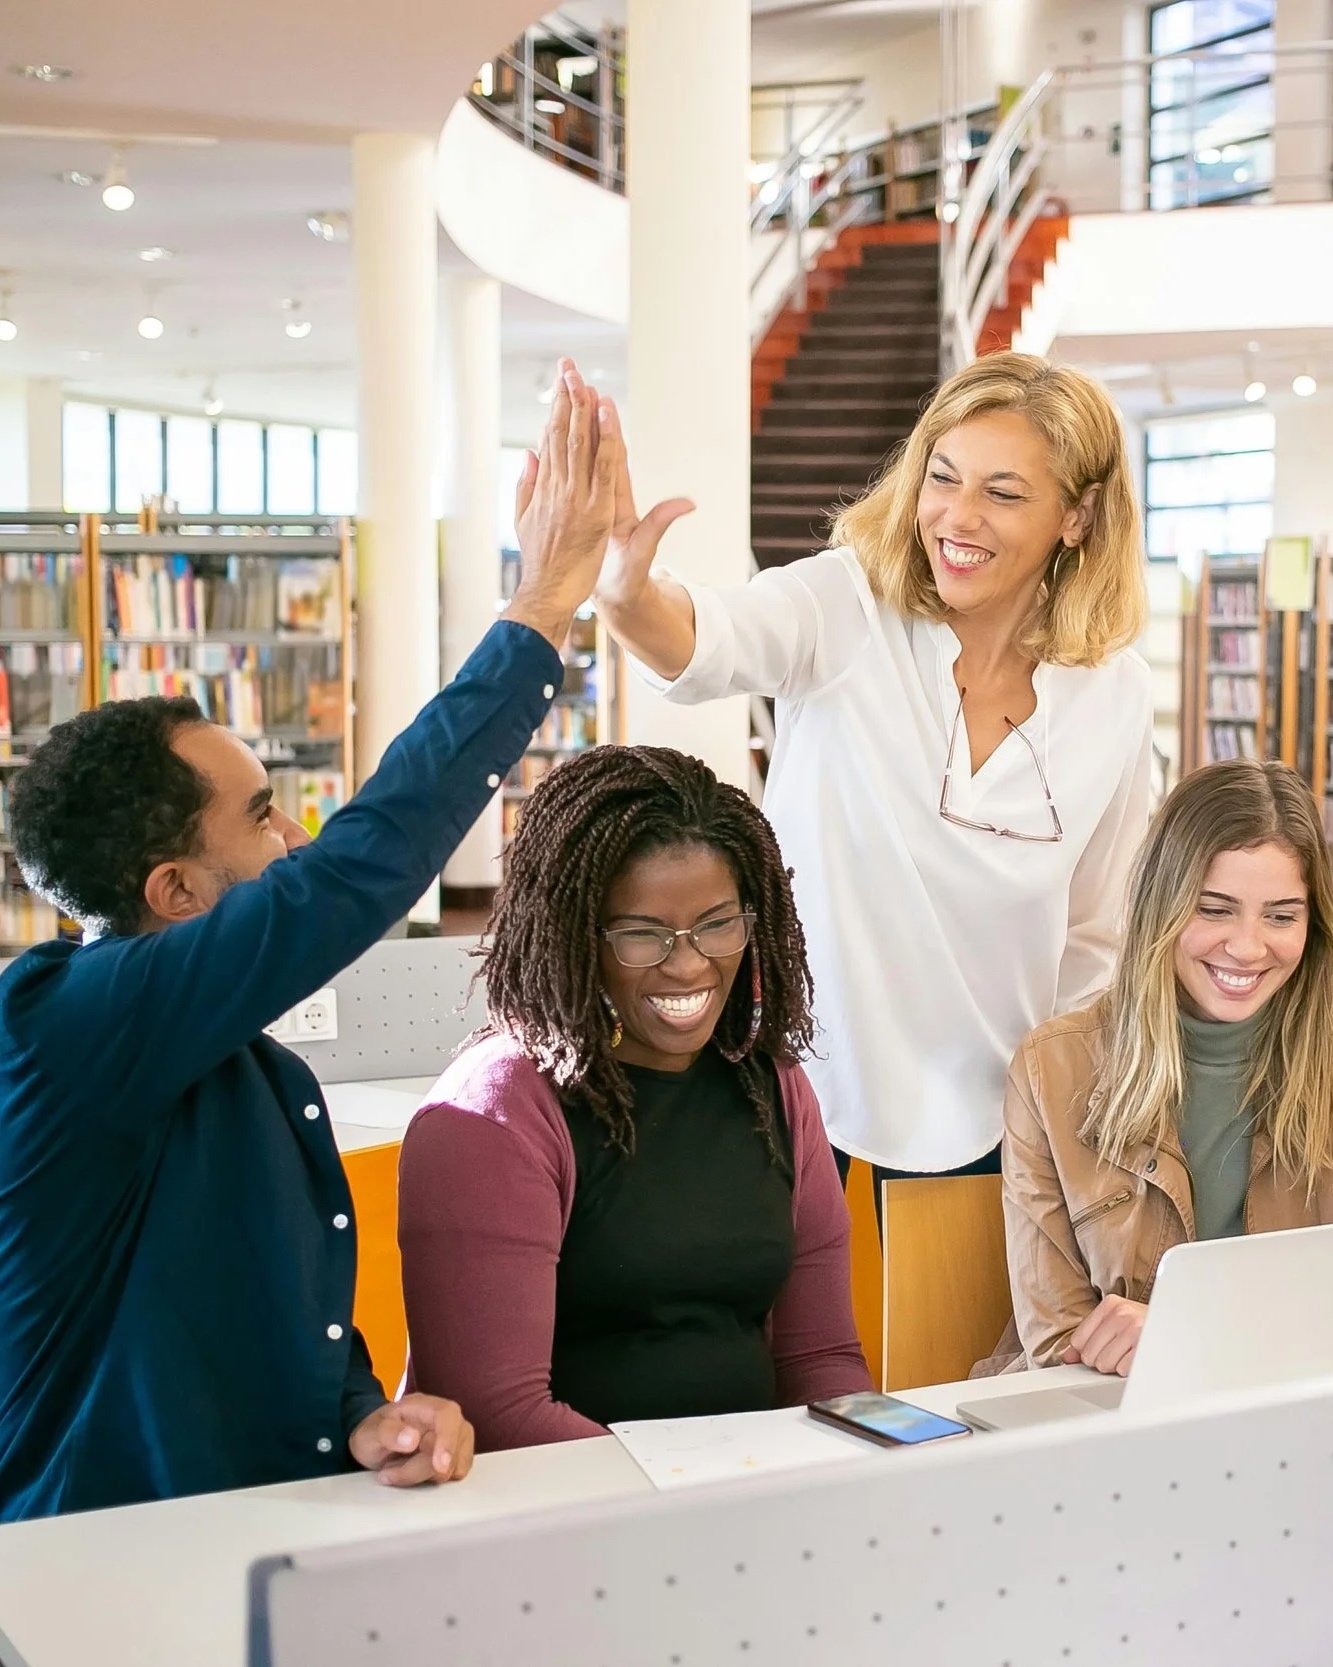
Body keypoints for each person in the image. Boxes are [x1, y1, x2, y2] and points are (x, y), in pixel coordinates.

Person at [0, 370, 620, 1520]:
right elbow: (358, 866)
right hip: (88, 1569)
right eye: (259, 816)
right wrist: (541, 606)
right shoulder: (64, 1025)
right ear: (178, 890)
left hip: (256, 1544)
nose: (293, 838)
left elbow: (262, 1325)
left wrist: (362, 1418)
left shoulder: (252, 1073)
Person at [583, 350, 1152, 1188]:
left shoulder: (1115, 692)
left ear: (1078, 516)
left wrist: (1062, 1121)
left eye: (1002, 493)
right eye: (942, 477)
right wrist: (627, 595)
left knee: (954, 1326)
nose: (956, 517)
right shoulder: (849, 605)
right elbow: (713, 639)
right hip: (803, 1101)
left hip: (1002, 1128)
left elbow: (1095, 937)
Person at [398, 745, 872, 1450]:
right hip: (569, 1516)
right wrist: (700, 1495)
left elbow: (820, 1359)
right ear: (571, 934)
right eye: (642, 935)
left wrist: (873, 1452)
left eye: (717, 924)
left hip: (745, 1499)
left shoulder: (771, 1084)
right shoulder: (493, 1112)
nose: (688, 963)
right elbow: (498, 1413)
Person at [1002, 760, 1333, 1375]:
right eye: (1214, 909)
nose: (1248, 946)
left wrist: (1191, 1332)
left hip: (1296, 1416)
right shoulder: (1052, 1069)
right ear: (1164, 906)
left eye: (1282, 915)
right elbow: (1056, 1344)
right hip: (1107, 1420)